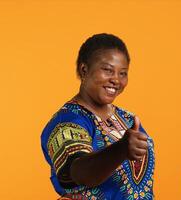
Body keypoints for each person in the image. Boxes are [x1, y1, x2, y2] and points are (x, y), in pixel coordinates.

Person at [41, 33, 154, 200]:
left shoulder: (128, 119)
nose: (116, 79)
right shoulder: (67, 122)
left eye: (122, 73)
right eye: (108, 70)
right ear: (84, 70)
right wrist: (121, 149)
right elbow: (79, 173)